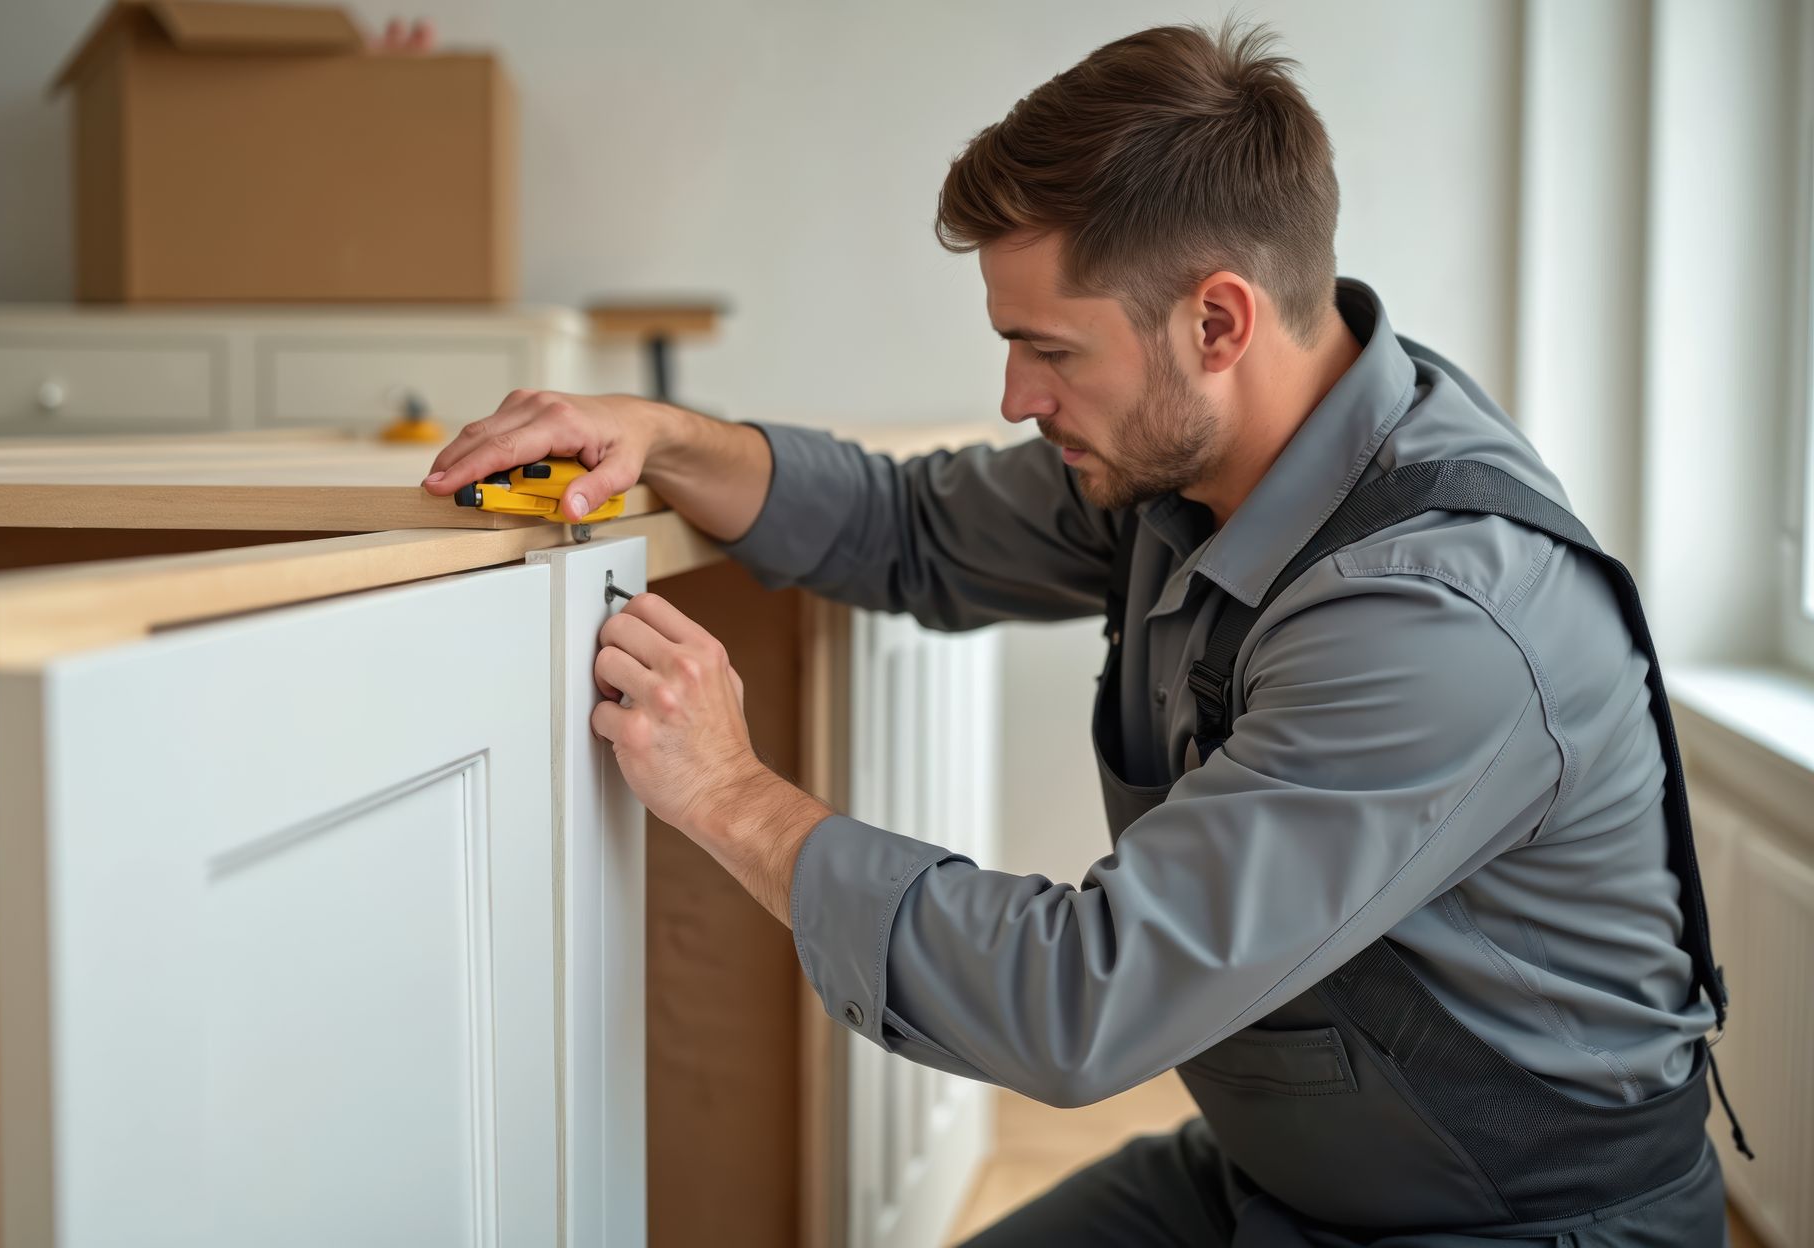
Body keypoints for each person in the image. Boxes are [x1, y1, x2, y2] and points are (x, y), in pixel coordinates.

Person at [423, 22, 1742, 1247]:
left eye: (1047, 351)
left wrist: (727, 794)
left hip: (1514, 1227)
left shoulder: (1438, 620)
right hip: (1281, 1179)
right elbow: (911, 525)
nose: (1012, 397)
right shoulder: (1203, 453)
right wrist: (663, 434)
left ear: (1218, 321)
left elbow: (1084, 998)